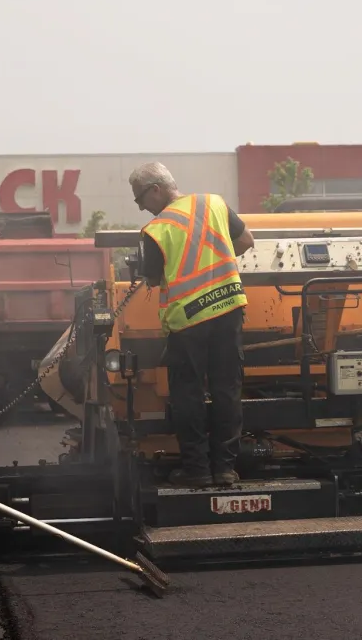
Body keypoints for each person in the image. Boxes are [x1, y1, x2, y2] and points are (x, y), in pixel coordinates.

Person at [131, 162, 255, 488]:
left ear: (155, 189)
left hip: (188, 320)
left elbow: (153, 278)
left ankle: (197, 470)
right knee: (227, 389)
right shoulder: (214, 203)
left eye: (140, 198)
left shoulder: (157, 230)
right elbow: (246, 241)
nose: (141, 207)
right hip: (229, 309)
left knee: (188, 395)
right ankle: (225, 469)